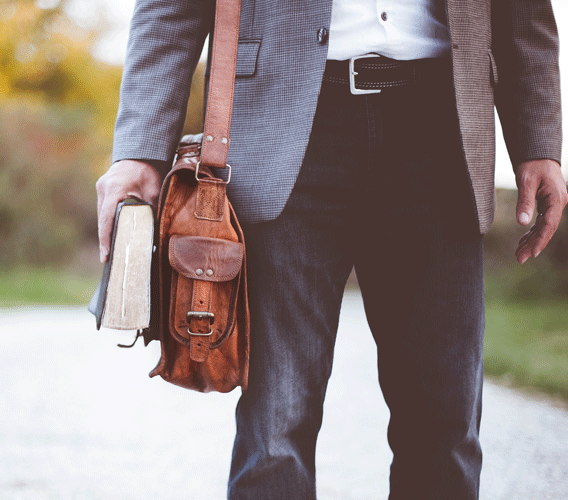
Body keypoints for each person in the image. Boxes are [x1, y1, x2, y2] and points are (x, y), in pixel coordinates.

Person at [95, 1, 567, 498]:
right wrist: (138, 150)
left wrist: (539, 141)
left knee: (444, 431)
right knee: (275, 431)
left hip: (441, 131)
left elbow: (523, 12)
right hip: (286, 129)